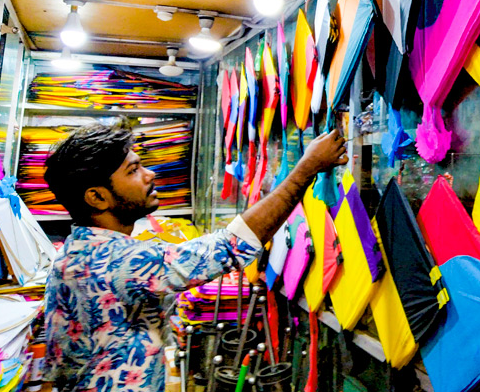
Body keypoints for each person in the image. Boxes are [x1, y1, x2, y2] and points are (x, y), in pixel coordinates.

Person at [40, 122, 347, 392]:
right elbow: (230, 247)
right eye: (133, 171)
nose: (150, 174)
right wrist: (307, 168)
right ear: (97, 197)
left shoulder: (73, 253)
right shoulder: (116, 261)